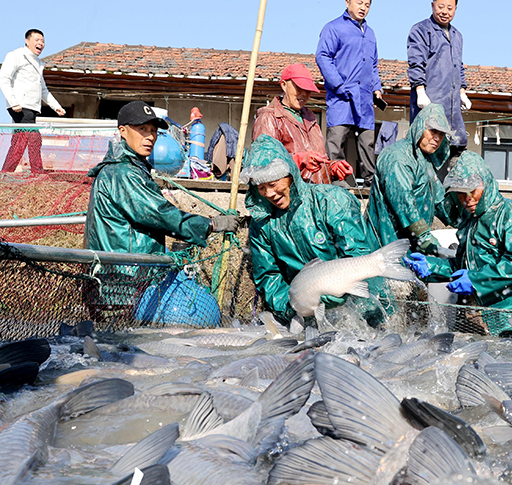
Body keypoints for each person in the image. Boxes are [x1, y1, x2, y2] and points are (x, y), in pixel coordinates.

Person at [83, 101, 239, 325]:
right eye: (142, 130)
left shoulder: (130, 168)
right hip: (120, 283)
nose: (150, 137)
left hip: (128, 281)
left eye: (154, 131)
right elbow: (160, 214)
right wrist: (210, 225)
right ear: (122, 131)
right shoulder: (123, 172)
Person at [404, 151, 512, 335]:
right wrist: (431, 267)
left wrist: (475, 281)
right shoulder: (470, 220)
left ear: (486, 184)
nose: (468, 199)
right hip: (488, 318)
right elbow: (461, 265)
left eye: (473, 191)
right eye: (461, 193)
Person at [244, 134, 382, 324]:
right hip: (306, 310)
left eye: (273, 184)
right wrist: (294, 307)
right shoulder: (261, 225)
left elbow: (357, 254)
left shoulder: (331, 201)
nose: (269, 193)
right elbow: (269, 277)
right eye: (261, 187)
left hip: (359, 302)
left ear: (290, 175)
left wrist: (341, 288)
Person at [365, 103, 459, 274]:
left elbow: (440, 202)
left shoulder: (426, 162)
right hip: (385, 246)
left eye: (441, 134)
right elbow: (404, 206)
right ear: (419, 127)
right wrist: (429, 242)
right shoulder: (397, 158)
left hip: (412, 250)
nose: (437, 138)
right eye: (432, 131)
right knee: (387, 296)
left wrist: (468, 219)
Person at [316, 0, 383, 188]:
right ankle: (337, 181)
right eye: (359, 2)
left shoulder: (370, 33)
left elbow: (373, 64)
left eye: (367, 5)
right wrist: (338, 84)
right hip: (341, 96)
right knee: (336, 140)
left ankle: (371, 183)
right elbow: (323, 56)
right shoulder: (334, 28)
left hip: (364, 97)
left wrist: (377, 88)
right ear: (348, 2)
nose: (363, 7)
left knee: (368, 142)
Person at [252, 63, 353, 185]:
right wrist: (298, 160)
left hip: (315, 195)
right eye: (299, 88)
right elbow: (263, 164)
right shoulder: (269, 118)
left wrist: (332, 168)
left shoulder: (311, 120)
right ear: (284, 85)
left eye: (308, 90)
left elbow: (318, 164)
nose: (304, 94)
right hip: (289, 197)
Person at [407, 0, 470, 154]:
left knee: (457, 146)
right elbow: (416, 62)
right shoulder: (420, 30)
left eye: (450, 8)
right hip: (430, 102)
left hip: (452, 106)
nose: (445, 12)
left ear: (455, 9)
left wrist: (462, 92)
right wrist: (420, 90)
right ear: (432, 5)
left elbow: (459, 66)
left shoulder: (457, 36)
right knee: (428, 149)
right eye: (441, 6)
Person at [0, 29, 65, 173]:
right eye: (37, 40)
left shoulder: (39, 63)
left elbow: (43, 90)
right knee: (34, 136)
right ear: (27, 41)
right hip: (20, 105)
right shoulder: (16, 55)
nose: (41, 43)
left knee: (20, 140)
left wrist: (56, 107)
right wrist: (13, 102)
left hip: (33, 107)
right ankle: (37, 171)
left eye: (43, 41)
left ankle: (5, 173)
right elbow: (4, 78)